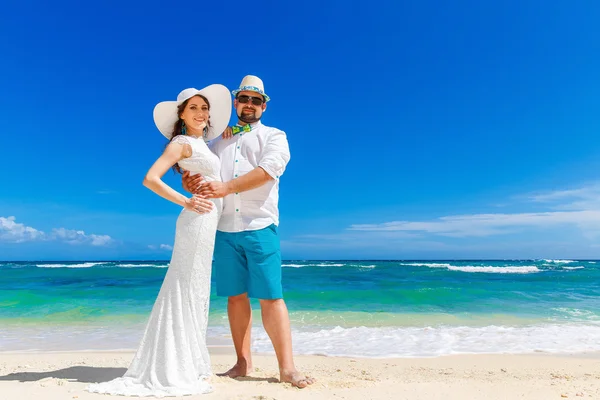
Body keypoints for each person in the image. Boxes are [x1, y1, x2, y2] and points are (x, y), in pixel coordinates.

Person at [87, 84, 231, 397]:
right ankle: (175, 367)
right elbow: (150, 178)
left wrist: (225, 139)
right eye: (193, 108)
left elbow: (208, 169)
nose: (200, 113)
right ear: (182, 114)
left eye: (204, 108)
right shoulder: (180, 143)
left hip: (207, 225)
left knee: (195, 289)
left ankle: (188, 363)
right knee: (185, 288)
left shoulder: (202, 144)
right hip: (196, 221)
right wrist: (187, 201)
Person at [183, 75, 314, 388]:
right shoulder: (216, 143)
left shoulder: (275, 136)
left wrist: (226, 186)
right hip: (224, 228)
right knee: (235, 298)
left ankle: (287, 368)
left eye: (256, 100)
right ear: (235, 102)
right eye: (244, 98)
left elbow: (268, 172)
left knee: (271, 297)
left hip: (260, 225)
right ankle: (242, 363)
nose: (250, 104)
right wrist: (190, 182)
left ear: (264, 105)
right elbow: (199, 174)